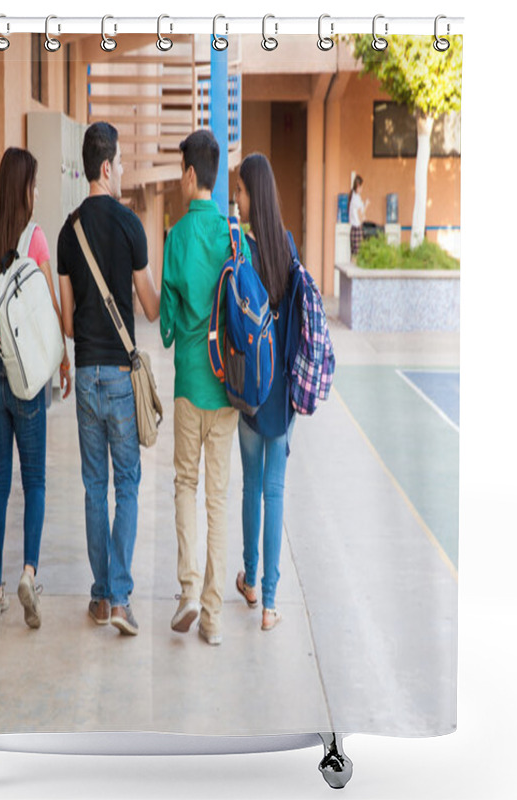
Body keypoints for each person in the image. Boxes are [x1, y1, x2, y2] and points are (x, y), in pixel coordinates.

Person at [0, 146, 71, 629]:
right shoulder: (36, 239)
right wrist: (62, 358)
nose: (37, 191)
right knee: (36, 481)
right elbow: (49, 311)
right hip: (28, 377)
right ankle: (28, 572)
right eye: (35, 183)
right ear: (24, 188)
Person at [56, 122, 160, 637]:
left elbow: (67, 321)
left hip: (86, 373)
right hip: (121, 376)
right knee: (130, 486)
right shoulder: (130, 226)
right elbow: (150, 307)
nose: (122, 172)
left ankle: (101, 598)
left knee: (94, 489)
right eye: (119, 164)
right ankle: (119, 597)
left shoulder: (66, 230)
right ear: (105, 167)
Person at [160, 129, 252, 646]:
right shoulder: (232, 237)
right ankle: (213, 618)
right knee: (218, 498)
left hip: (189, 384)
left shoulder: (175, 237)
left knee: (184, 486)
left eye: (181, 171)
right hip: (227, 390)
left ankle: (189, 590)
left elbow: (168, 328)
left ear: (191, 174)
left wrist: (178, 317)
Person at [233, 153, 298, 631]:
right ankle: (271, 605)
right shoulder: (288, 248)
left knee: (252, 486)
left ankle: (250, 582)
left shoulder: (242, 251)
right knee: (274, 490)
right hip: (284, 392)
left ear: (254, 195)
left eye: (240, 190)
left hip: (251, 390)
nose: (236, 198)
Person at [348, 173, 369, 258]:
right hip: (357, 229)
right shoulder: (356, 199)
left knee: (353, 254)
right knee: (358, 255)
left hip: (353, 228)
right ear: (358, 186)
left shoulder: (353, 197)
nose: (362, 189)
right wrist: (366, 205)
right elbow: (361, 216)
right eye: (361, 187)